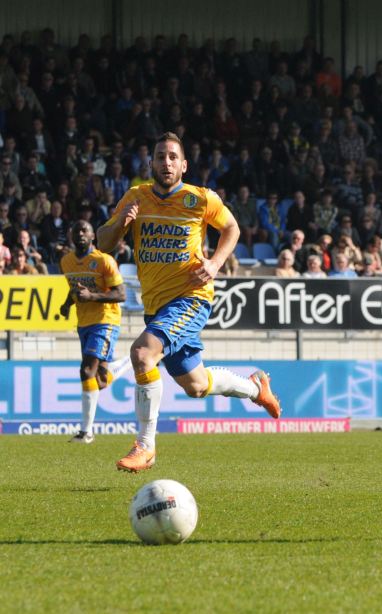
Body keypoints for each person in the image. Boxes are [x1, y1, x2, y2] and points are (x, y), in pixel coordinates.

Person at [97, 132, 281, 473]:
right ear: (150, 163)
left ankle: (145, 447)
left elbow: (232, 229)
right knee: (196, 386)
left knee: (142, 354)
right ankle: (255, 389)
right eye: (159, 156)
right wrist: (122, 223)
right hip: (156, 305)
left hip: (190, 299)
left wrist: (213, 264)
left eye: (172, 157)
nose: (165, 162)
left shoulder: (200, 199)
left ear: (184, 165)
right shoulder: (135, 197)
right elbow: (104, 242)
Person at [59, 220, 132, 443]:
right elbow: (75, 289)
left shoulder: (104, 261)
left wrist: (92, 297)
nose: (80, 234)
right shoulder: (67, 262)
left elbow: (121, 295)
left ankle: (86, 432)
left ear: (92, 236)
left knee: (86, 371)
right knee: (99, 380)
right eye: (76, 230)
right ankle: (131, 361)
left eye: (84, 230)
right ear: (71, 236)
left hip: (105, 321)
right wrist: (66, 304)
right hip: (83, 322)